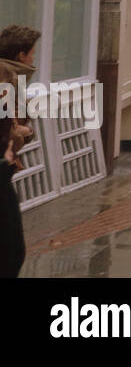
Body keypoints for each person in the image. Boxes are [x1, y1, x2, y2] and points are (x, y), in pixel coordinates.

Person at [0, 25, 40, 278]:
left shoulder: (13, 77)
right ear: (21, 55)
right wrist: (19, 133)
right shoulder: (6, 78)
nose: (34, 58)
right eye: (33, 53)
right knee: (12, 251)